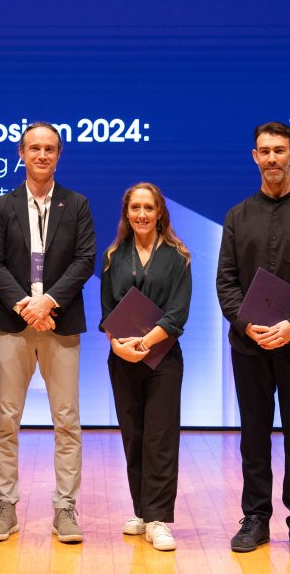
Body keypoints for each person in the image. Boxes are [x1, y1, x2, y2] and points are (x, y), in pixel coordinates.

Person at [215, 121, 290, 559]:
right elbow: (226, 282)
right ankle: (255, 517)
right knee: (253, 434)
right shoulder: (237, 216)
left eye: (279, 151)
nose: (271, 159)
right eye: (264, 151)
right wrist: (247, 325)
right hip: (249, 345)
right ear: (254, 157)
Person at [0, 122, 96, 543]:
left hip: (59, 322)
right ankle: (4, 507)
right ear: (21, 153)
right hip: (15, 322)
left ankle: (65, 510)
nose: (42, 155)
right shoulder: (3, 205)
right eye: (34, 148)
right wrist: (25, 305)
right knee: (5, 419)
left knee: (66, 420)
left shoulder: (77, 204)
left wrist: (48, 302)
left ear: (58, 155)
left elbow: (85, 260)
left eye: (50, 148)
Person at [100, 182, 191, 551]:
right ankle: (142, 510)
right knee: (134, 436)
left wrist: (144, 342)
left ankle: (159, 519)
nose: (141, 214)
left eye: (148, 208)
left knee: (160, 439)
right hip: (122, 360)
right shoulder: (112, 255)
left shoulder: (178, 256)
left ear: (159, 213)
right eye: (135, 207)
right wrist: (117, 345)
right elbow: (108, 310)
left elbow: (177, 313)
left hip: (163, 359)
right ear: (126, 213)